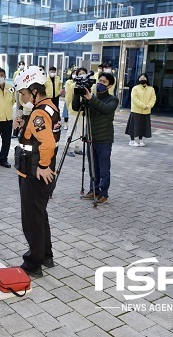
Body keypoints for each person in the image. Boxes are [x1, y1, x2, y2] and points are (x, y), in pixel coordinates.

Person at [13, 65, 61, 277]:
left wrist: (42, 166)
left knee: (31, 220)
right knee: (40, 216)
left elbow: (48, 143)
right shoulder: (49, 107)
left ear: (34, 91)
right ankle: (46, 255)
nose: (22, 97)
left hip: (34, 174)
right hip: (38, 172)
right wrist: (23, 125)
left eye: (23, 93)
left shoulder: (39, 113)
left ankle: (33, 263)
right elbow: (39, 134)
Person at [72, 72, 119, 205]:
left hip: (104, 139)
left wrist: (91, 98)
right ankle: (93, 190)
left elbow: (105, 109)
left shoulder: (112, 100)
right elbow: (76, 107)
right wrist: (77, 92)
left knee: (104, 169)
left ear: (109, 86)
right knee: (93, 168)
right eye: (99, 81)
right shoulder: (91, 97)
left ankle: (103, 194)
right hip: (91, 138)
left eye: (104, 82)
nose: (100, 83)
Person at [126, 73, 155, 147]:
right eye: (140, 78)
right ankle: (132, 140)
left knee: (143, 126)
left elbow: (153, 98)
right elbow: (134, 99)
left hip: (146, 111)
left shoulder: (151, 89)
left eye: (144, 78)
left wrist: (148, 106)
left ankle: (140, 139)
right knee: (134, 126)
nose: (142, 79)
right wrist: (143, 106)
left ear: (147, 79)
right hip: (136, 110)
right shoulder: (135, 88)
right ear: (138, 79)